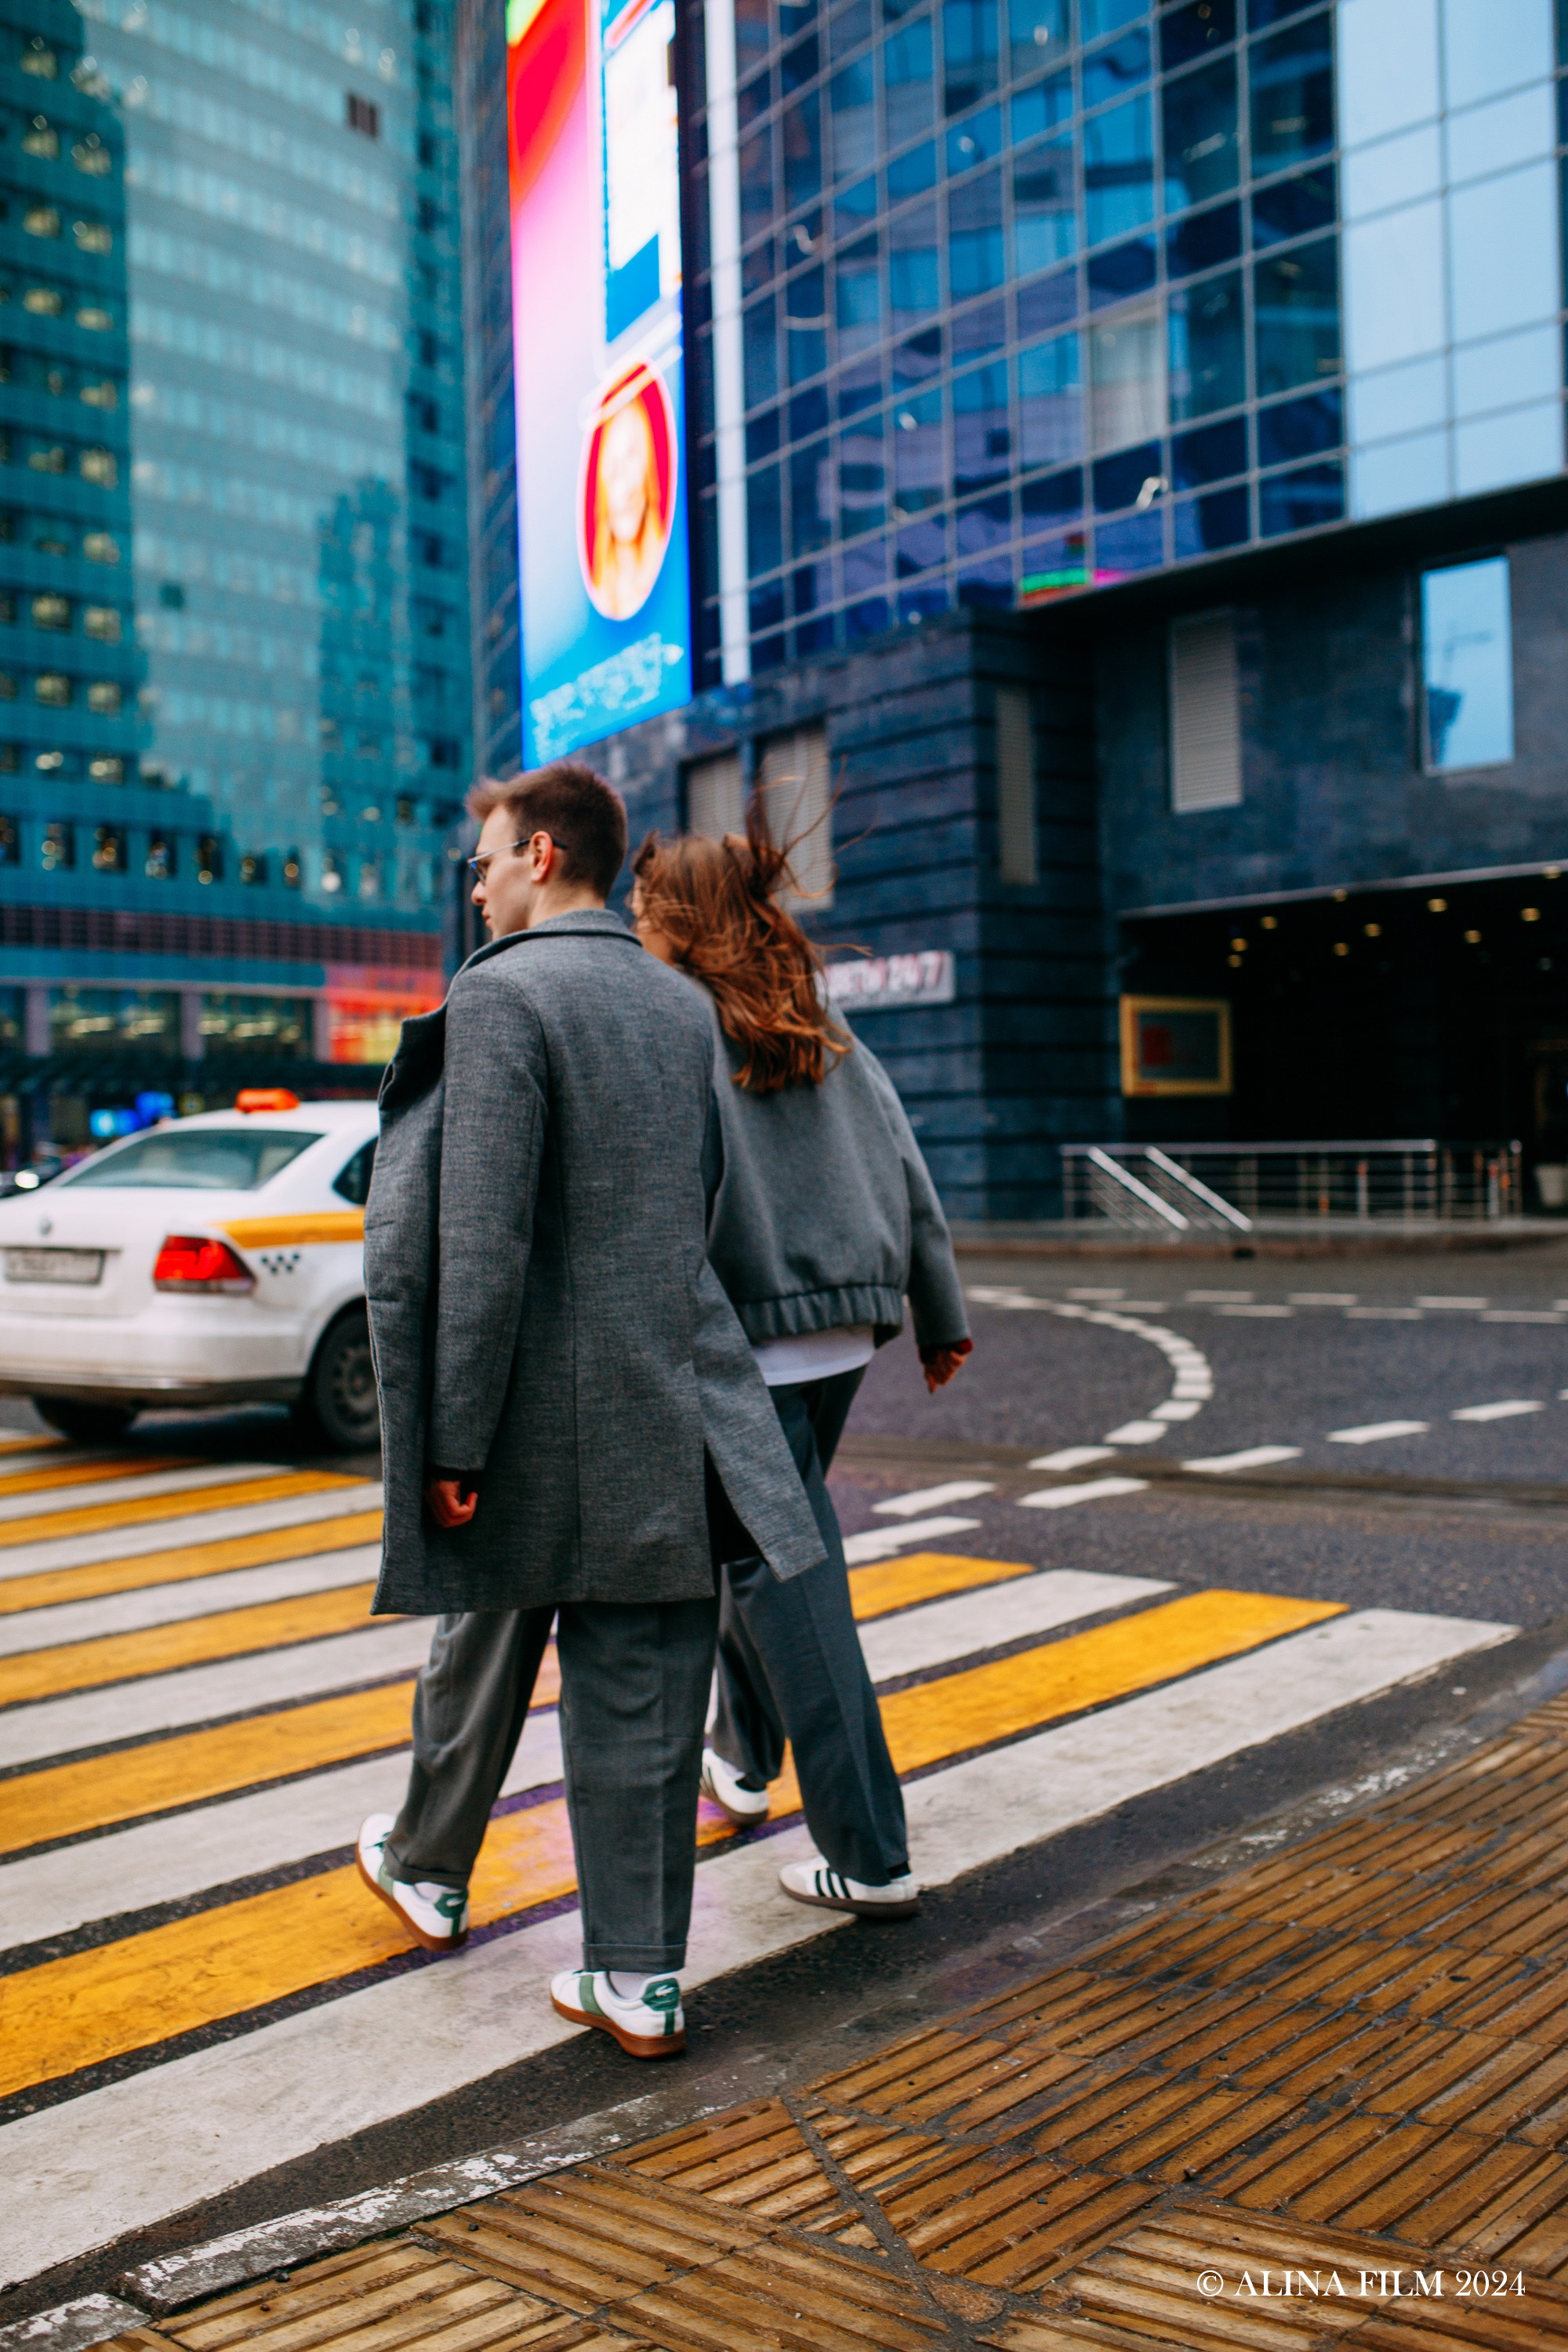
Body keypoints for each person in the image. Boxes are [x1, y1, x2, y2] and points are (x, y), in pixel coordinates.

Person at [356, 760, 826, 2061]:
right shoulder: (679, 1008)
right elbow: (711, 1206)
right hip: (672, 1401)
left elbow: (483, 1242)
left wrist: (454, 1440)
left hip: (542, 1426)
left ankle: (433, 1868)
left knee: (493, 1646)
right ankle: (640, 1980)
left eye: (490, 859)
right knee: (645, 1701)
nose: (480, 882)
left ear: (544, 857)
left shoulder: (501, 999)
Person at [630, 805, 971, 1922]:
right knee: (756, 1548)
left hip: (748, 1347)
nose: (632, 922)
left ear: (680, 913)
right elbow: (901, 1154)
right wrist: (937, 1308)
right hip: (841, 1333)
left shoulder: (670, 1012)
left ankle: (871, 1856)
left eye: (644, 905)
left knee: (794, 1586)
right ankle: (744, 1754)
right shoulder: (808, 1007)